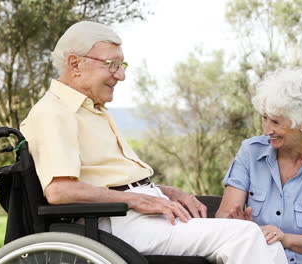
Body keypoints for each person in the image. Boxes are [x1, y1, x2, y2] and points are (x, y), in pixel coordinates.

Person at [20, 21, 287, 264]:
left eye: (121, 66)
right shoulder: (54, 112)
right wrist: (138, 200)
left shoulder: (93, 110)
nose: (120, 75)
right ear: (75, 64)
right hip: (115, 222)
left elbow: (107, 177)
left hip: (135, 216)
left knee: (261, 239)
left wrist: (167, 192)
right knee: (246, 237)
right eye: (111, 64)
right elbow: (60, 191)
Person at [216, 68, 302, 264]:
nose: (267, 130)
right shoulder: (250, 152)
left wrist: (283, 237)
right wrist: (242, 229)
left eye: (276, 122)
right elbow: (224, 216)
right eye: (265, 118)